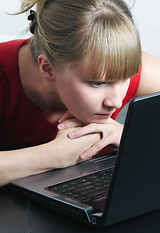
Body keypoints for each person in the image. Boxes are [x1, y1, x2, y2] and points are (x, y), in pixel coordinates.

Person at [0, 0, 160, 186]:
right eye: (97, 83)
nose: (116, 102)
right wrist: (54, 155)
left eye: (125, 78)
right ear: (48, 69)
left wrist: (129, 136)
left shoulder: (119, 67)